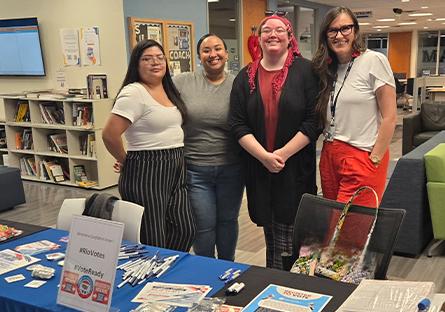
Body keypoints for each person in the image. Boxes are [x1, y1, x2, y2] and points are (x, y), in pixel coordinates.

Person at [229, 14, 320, 269]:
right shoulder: (246, 76)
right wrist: (264, 157)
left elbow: (314, 122)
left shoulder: (307, 71)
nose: (272, 35)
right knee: (272, 234)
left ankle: (297, 288)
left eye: (279, 30)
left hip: (294, 167)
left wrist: (281, 154)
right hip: (260, 169)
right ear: (258, 38)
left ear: (290, 37)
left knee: (298, 236)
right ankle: (275, 287)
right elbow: (237, 124)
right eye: (266, 30)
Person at [312, 7, 397, 247]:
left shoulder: (374, 61)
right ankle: (334, 281)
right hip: (330, 155)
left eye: (345, 28)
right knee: (333, 227)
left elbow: (390, 117)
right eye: (332, 30)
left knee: (351, 233)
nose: (339, 35)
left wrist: (375, 158)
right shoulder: (327, 69)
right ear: (325, 35)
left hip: (362, 155)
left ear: (355, 30)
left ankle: (352, 283)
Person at [102, 39, 195, 251]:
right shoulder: (134, 92)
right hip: (146, 168)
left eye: (159, 57)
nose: (155, 62)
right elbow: (109, 135)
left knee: (185, 228)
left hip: (176, 165)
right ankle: (154, 278)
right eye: (147, 59)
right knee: (153, 235)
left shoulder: (169, 90)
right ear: (136, 64)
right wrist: (126, 160)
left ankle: (168, 269)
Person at [173, 33, 244, 261]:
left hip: (232, 168)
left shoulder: (239, 82)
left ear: (226, 52)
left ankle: (225, 268)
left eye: (217, 49)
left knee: (227, 221)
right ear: (199, 56)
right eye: (206, 50)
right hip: (195, 169)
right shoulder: (183, 82)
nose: (212, 55)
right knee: (203, 224)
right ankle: (204, 270)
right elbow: (156, 108)